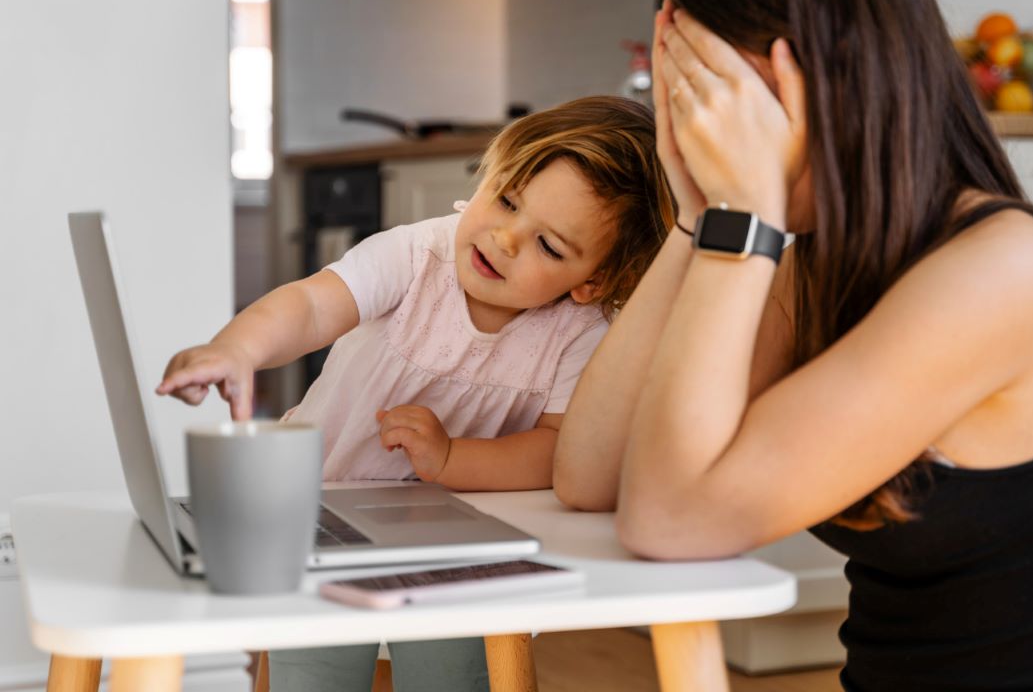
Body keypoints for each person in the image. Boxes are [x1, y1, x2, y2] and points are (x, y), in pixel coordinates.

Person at [553, 0, 1033, 691]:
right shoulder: (824, 264)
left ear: (817, 80)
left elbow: (671, 521)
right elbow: (592, 476)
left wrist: (745, 220)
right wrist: (696, 220)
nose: (703, 130)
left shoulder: (1010, 270)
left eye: (719, 101)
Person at [157, 95, 674, 692]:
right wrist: (238, 349)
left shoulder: (583, 332)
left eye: (548, 246)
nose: (505, 238)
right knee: (317, 674)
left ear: (592, 283)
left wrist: (454, 459)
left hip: (466, 535)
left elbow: (558, 449)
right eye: (506, 200)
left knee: (453, 673)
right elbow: (311, 304)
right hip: (330, 509)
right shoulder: (414, 254)